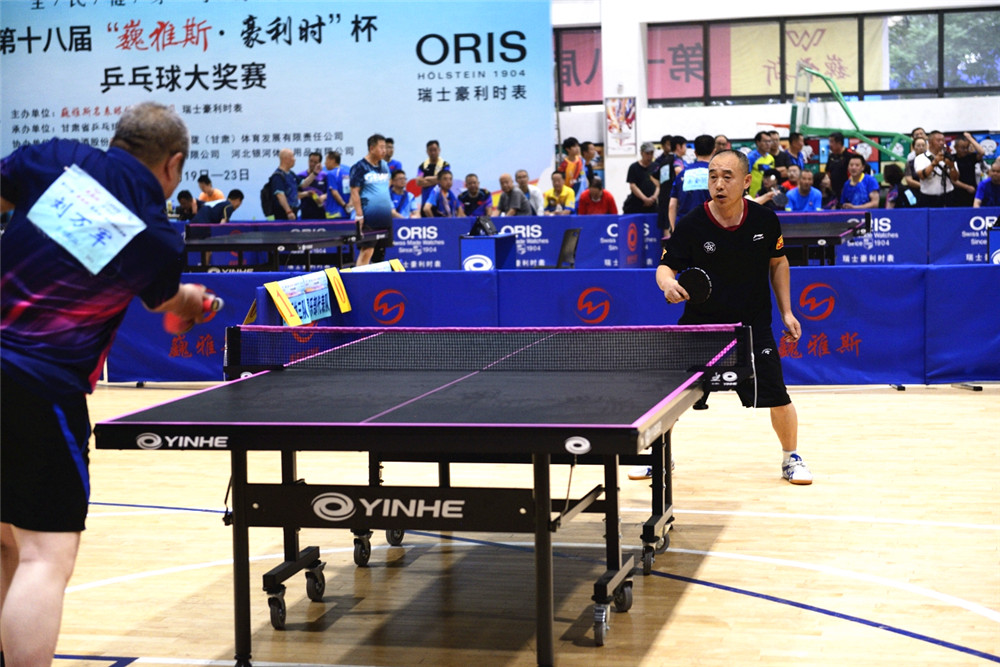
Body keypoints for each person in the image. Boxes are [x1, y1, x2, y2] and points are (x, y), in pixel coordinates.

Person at [0, 101, 212, 667]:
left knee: (5, 541)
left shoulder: (52, 159)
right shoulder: (157, 236)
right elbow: (163, 298)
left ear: (118, 140)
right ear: (173, 164)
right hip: (37, 388)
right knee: (45, 555)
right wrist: (190, 301)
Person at [651, 148, 812, 485]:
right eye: (713, 176)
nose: (719, 184)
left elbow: (778, 262)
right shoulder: (692, 224)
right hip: (701, 326)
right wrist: (667, 283)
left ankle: (791, 458)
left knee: (777, 394)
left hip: (752, 325)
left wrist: (786, 311)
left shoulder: (764, 220)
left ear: (746, 181)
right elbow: (666, 266)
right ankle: (659, 458)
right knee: (667, 396)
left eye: (727, 176)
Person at [349, 133, 394, 266]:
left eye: (385, 147)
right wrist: (359, 215)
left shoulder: (384, 165)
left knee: (380, 253)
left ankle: (376, 279)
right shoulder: (359, 167)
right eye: (381, 147)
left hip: (384, 216)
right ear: (372, 148)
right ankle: (360, 277)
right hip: (369, 216)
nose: (384, 150)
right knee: (367, 250)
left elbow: (388, 182)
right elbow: (354, 191)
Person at [667, 134, 713, 231]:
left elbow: (672, 205)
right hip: (709, 227)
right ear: (714, 151)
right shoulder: (716, 175)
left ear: (695, 153)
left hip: (684, 227)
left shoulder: (682, 173)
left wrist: (674, 230)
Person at [913, 130, 959, 208]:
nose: (941, 143)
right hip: (927, 198)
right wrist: (934, 163)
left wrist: (952, 166)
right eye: (938, 140)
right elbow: (922, 176)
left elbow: (955, 178)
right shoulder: (920, 158)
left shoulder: (949, 157)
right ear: (930, 142)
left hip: (947, 195)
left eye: (943, 140)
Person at [951, 133, 987, 208]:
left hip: (972, 193)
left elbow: (982, 152)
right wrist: (967, 187)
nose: (965, 150)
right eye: (962, 148)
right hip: (957, 193)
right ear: (955, 147)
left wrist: (970, 139)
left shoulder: (970, 157)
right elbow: (952, 179)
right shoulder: (952, 159)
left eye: (967, 147)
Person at [623, 141, 659, 214]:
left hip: (652, 204)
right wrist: (644, 199)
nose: (649, 156)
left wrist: (653, 198)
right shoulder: (634, 167)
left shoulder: (656, 166)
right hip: (636, 204)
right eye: (647, 153)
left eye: (651, 153)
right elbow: (633, 185)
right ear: (641, 153)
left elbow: (659, 185)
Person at [416, 140, 450, 213]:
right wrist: (437, 180)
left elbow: (444, 179)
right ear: (427, 152)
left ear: (439, 150)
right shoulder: (422, 166)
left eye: (435, 150)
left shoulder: (445, 165)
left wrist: (427, 178)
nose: (433, 152)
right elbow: (418, 182)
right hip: (426, 199)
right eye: (430, 150)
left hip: (441, 200)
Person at [270, 148, 304, 220]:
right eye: (292, 156)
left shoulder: (291, 174)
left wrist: (314, 173)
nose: (294, 159)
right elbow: (280, 195)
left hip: (293, 211)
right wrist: (288, 211)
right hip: (284, 213)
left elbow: (303, 184)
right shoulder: (278, 176)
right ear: (286, 159)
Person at [296, 151, 326, 220]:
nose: (312, 164)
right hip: (306, 213)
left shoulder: (324, 176)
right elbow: (296, 195)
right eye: (310, 161)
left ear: (319, 164)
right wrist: (307, 194)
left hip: (321, 213)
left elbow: (329, 193)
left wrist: (323, 197)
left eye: (315, 162)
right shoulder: (300, 176)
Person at [322, 151, 351, 219]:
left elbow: (334, 193)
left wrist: (344, 205)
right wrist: (349, 206)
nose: (325, 163)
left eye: (326, 160)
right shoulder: (347, 173)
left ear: (332, 160)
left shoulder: (331, 174)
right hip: (347, 213)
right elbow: (352, 191)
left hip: (334, 212)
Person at [746, 131, 775, 198]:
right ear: (758, 142)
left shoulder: (771, 158)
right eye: (765, 141)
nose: (768, 144)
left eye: (769, 141)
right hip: (753, 193)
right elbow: (746, 175)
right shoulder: (751, 157)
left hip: (767, 193)